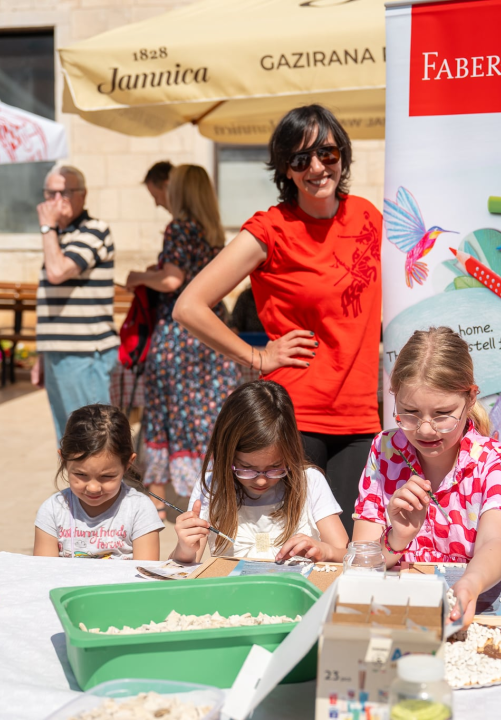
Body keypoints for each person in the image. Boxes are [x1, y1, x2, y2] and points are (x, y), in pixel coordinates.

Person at [174, 105, 382, 534]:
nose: (317, 167)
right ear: (285, 168)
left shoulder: (368, 218)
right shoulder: (272, 229)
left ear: (342, 155)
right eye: (301, 159)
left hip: (361, 418)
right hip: (294, 418)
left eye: (327, 153)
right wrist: (257, 356)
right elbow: (189, 306)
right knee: (289, 548)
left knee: (350, 553)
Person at [353, 327, 501, 623]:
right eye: (409, 412)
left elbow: (495, 543)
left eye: (443, 414)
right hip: (403, 611)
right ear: (393, 396)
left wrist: (470, 583)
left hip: (479, 607)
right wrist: (397, 537)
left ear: (471, 399)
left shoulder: (498, 463)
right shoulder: (384, 450)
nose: (425, 429)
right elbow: (361, 562)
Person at [125, 165, 241, 505]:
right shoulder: (212, 233)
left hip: (180, 336)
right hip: (212, 335)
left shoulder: (178, 228)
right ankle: (213, 493)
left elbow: (173, 281)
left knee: (165, 415)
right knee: (209, 418)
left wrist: (139, 277)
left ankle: (159, 502)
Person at [171, 380, 349, 564]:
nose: (261, 481)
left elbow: (346, 555)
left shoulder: (310, 482)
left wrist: (325, 551)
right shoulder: (211, 486)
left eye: (275, 467)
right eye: (246, 468)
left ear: (290, 452)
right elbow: (185, 565)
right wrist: (184, 548)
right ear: (226, 456)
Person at [31, 165, 119, 441]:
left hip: (84, 353)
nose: (58, 200)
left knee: (93, 440)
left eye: (66, 192)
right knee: (68, 438)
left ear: (83, 195)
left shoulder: (95, 231)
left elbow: (58, 273)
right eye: (51, 193)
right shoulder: (58, 237)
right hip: (59, 351)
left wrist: (47, 227)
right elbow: (50, 300)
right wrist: (42, 355)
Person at [33, 404, 162, 560]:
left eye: (106, 476)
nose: (93, 488)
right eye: (80, 474)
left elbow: (145, 574)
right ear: (64, 460)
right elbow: (43, 573)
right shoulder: (53, 510)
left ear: (128, 464)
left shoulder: (140, 510)